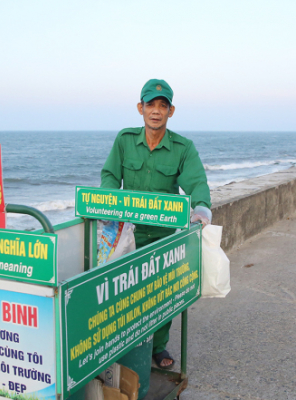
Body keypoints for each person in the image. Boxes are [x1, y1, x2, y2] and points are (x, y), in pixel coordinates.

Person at [101, 79, 212, 370]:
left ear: (171, 111)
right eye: (151, 104)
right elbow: (110, 176)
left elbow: (196, 181)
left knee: (163, 293)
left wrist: (201, 209)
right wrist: (108, 204)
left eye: (163, 106)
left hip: (163, 237)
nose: (156, 111)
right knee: (123, 292)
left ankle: (157, 346)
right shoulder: (124, 140)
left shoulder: (183, 148)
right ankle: (122, 345)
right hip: (127, 234)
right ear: (141, 108)